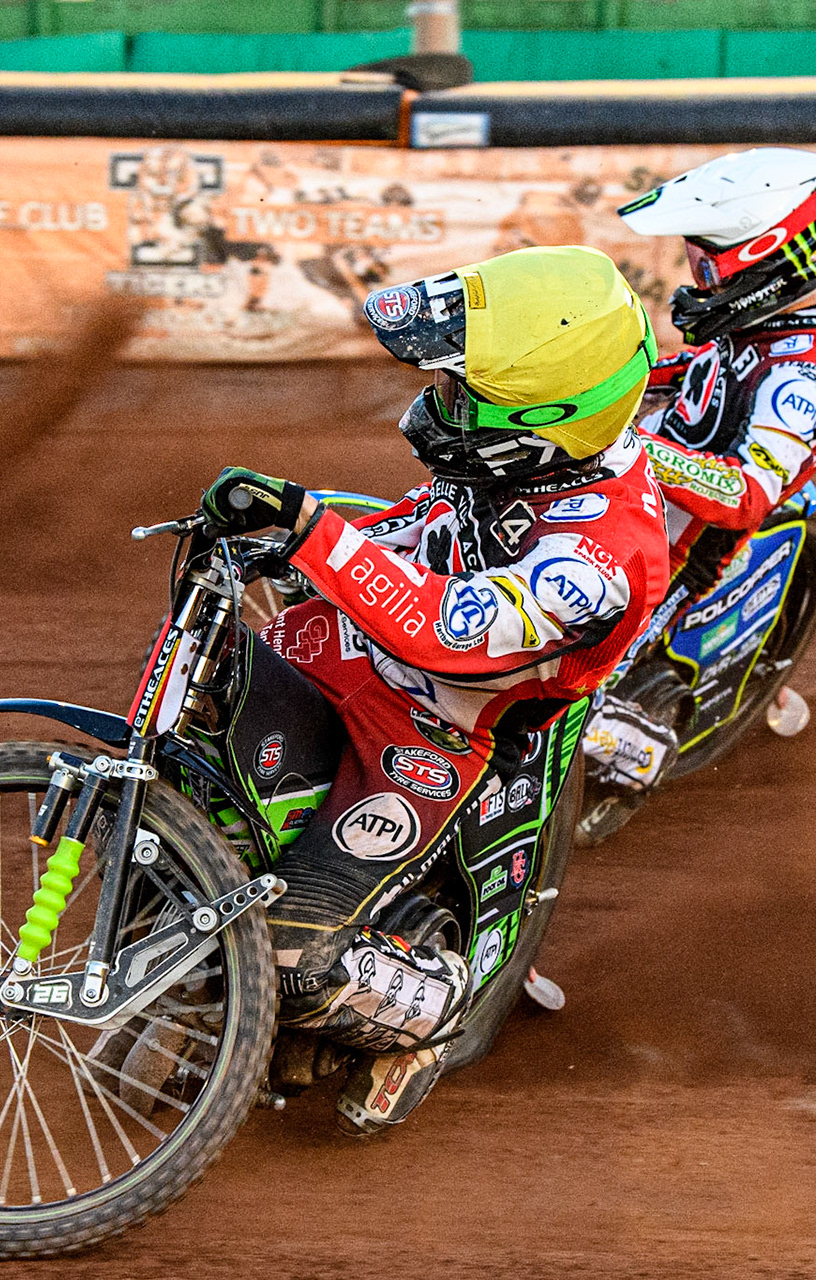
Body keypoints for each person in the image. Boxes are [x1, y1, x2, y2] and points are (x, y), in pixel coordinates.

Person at [195, 244, 670, 1134]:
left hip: (431, 734)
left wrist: (311, 532)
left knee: (292, 962)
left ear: (546, 417)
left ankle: (432, 1012)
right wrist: (285, 529)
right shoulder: (531, 464)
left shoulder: (603, 557)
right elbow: (420, 525)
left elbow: (444, 634)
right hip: (348, 656)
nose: (440, 402)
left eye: (462, 391)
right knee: (199, 731)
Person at [576, 147, 816, 799]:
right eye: (697, 259)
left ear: (769, 259)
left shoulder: (804, 378)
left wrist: (625, 445)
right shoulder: (770, 322)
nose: (699, 277)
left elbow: (744, 492)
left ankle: (634, 746)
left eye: (712, 262)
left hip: (669, 552)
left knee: (541, 695)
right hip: (626, 492)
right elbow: (697, 372)